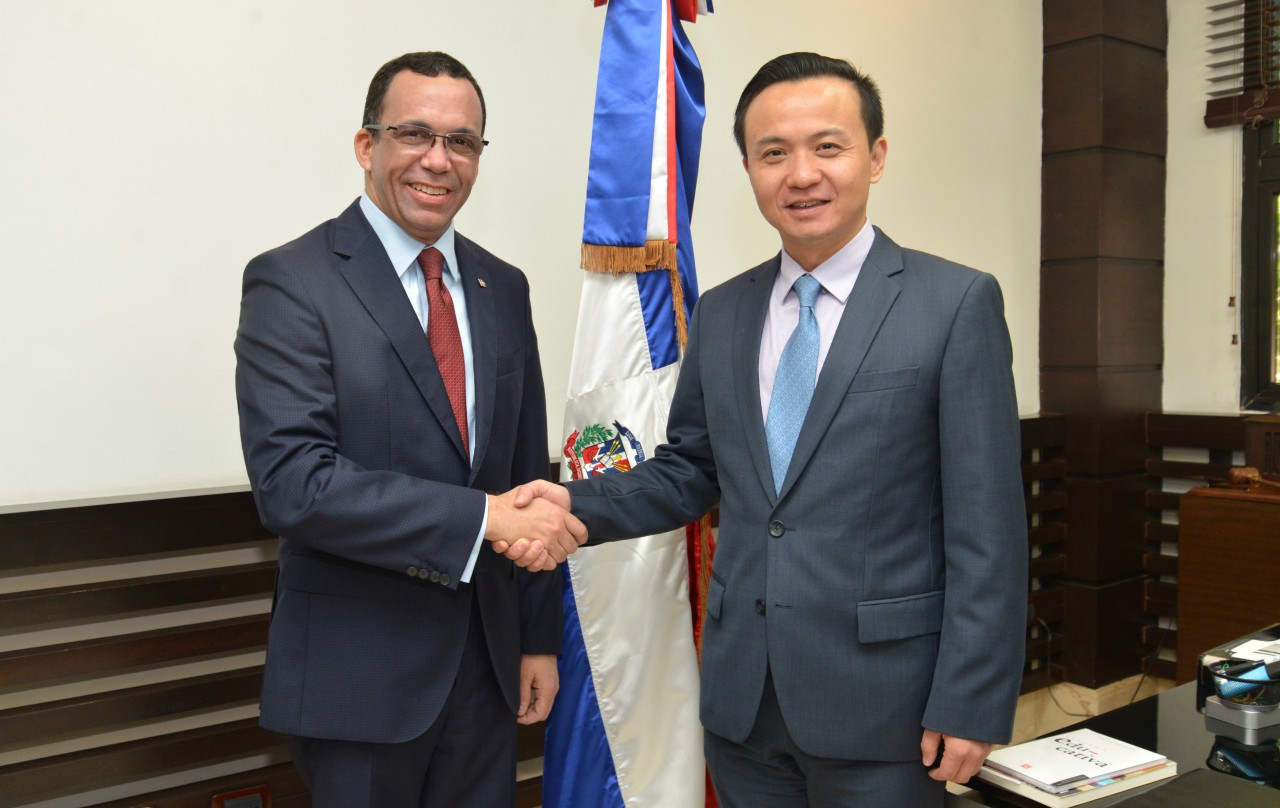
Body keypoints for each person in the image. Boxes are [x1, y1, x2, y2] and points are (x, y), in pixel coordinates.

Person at [508, 52, 1027, 807]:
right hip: (744, 704)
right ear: (748, 168)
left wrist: (972, 702)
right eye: (773, 153)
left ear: (875, 157)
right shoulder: (722, 313)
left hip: (890, 709)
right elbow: (689, 470)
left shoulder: (954, 304)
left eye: (828, 146)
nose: (801, 174)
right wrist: (569, 507)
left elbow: (989, 530)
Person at [234, 51, 583, 808]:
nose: (438, 160)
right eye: (415, 134)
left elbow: (526, 472)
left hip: (487, 673)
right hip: (357, 683)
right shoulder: (292, 282)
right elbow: (295, 486)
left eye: (462, 142)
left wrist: (536, 639)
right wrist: (486, 518)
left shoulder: (502, 286)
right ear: (368, 146)